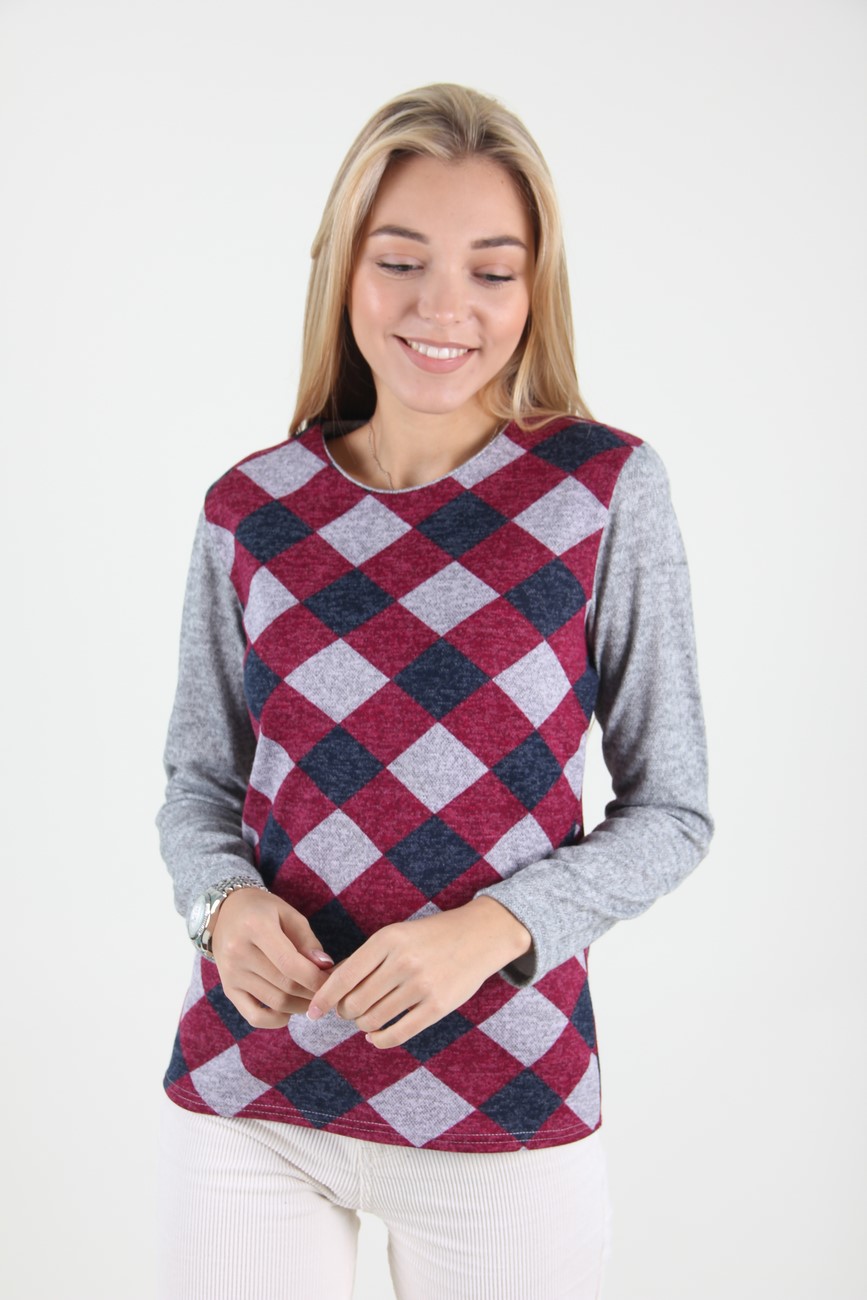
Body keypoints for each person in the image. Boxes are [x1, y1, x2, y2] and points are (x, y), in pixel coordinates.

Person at [156, 82, 713, 1300]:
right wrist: (220, 908)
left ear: (536, 287)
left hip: (506, 1101)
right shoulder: (249, 508)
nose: (444, 308)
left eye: (492, 271)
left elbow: (674, 810)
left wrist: (494, 930)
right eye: (401, 260)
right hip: (254, 1095)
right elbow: (199, 781)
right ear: (344, 269)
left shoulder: (601, 489)